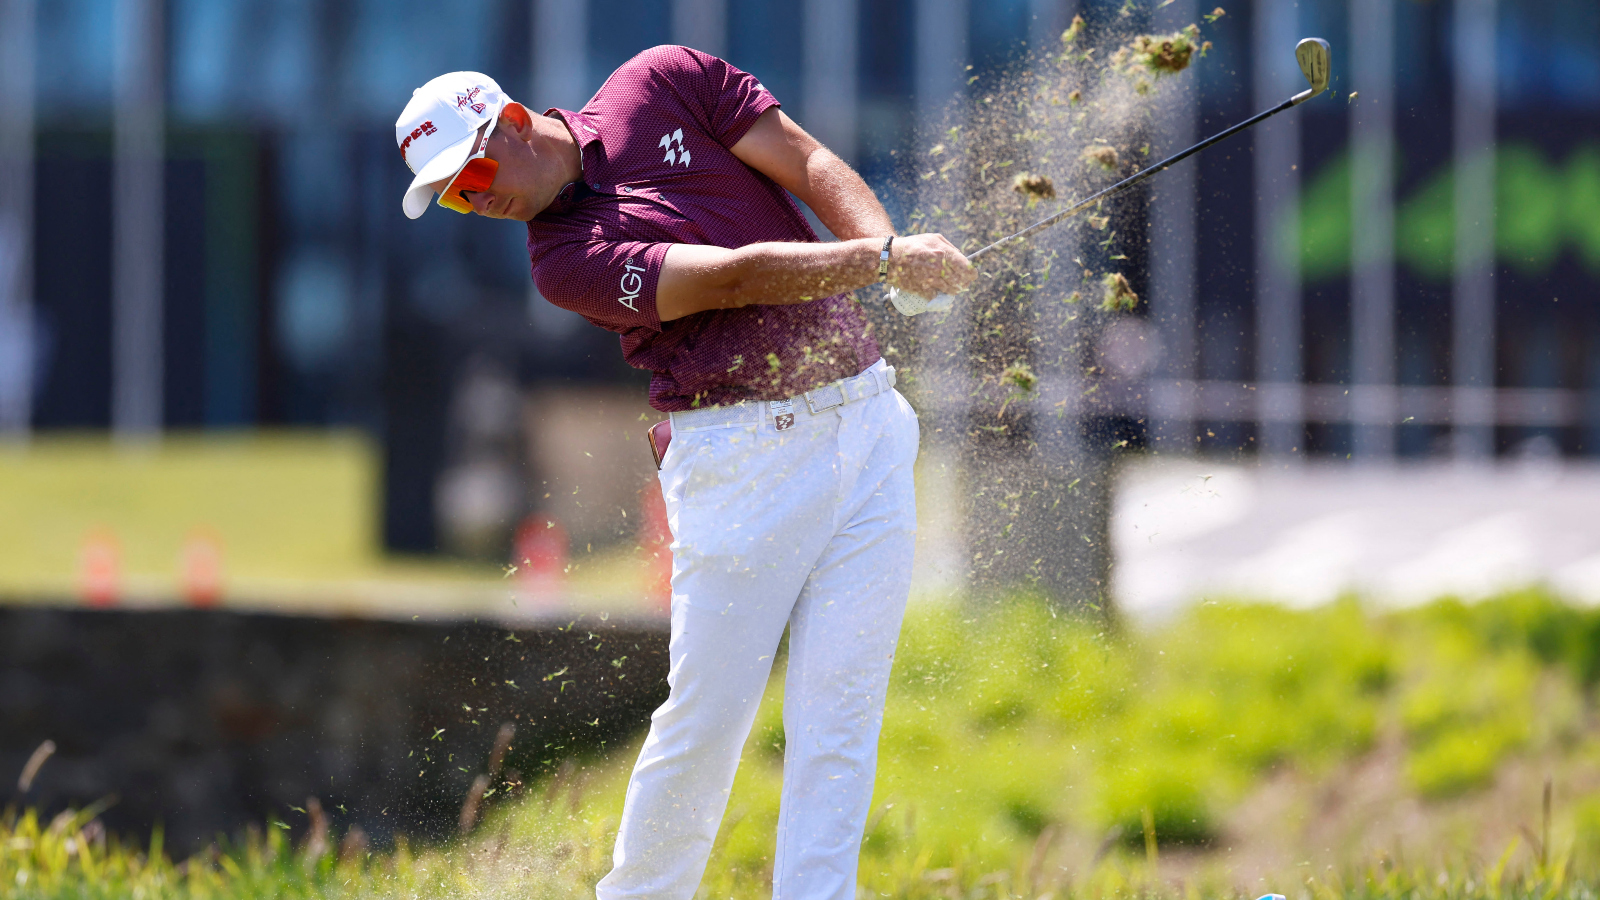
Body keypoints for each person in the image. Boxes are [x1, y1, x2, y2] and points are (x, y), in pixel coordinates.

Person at [394, 47, 973, 900]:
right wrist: (884, 261)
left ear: (512, 122)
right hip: (738, 461)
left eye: (471, 171)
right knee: (708, 720)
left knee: (839, 716)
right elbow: (734, 281)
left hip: (869, 422)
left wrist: (880, 241)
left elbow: (807, 162)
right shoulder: (563, 263)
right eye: (453, 195)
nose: (476, 199)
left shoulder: (661, 80)